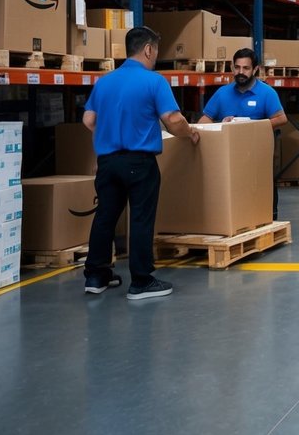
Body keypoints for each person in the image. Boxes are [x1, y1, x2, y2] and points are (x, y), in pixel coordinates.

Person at [82, 26, 200, 301]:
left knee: (106, 217)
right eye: (156, 50)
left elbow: (89, 121)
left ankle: (96, 276)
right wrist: (190, 132)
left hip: (108, 162)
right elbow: (172, 119)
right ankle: (141, 280)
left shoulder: (104, 82)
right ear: (148, 49)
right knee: (141, 218)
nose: (156, 55)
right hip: (139, 162)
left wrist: (110, 135)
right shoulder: (154, 81)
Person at [199, 48, 287, 217]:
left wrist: (253, 127)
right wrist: (220, 124)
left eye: (246, 68)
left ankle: (270, 216)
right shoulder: (222, 93)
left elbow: (281, 118)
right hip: (229, 155)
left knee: (262, 184)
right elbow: (204, 121)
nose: (241, 72)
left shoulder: (266, 93)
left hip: (257, 153)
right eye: (237, 67)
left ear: (255, 70)